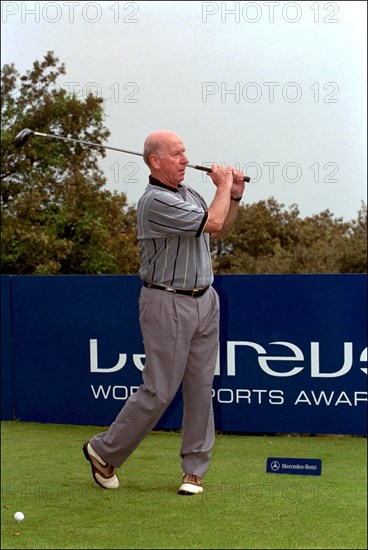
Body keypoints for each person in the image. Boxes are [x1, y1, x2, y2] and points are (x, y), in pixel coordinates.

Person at [83, 130, 246, 495]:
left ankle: (194, 470)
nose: (186, 159)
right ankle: (102, 450)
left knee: (201, 389)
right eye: (177, 154)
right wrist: (223, 187)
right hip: (166, 300)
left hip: (205, 298)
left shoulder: (189, 194)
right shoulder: (153, 202)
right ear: (155, 161)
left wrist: (232, 197)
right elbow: (213, 222)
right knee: (158, 390)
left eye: (185, 152)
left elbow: (216, 230)